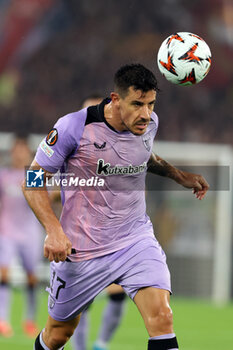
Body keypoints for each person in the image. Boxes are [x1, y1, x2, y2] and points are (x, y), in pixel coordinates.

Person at [22, 63, 209, 350]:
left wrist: (179, 176)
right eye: (137, 104)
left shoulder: (149, 124)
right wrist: (53, 230)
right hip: (81, 249)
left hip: (134, 241)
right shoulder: (73, 126)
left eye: (150, 104)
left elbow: (143, 157)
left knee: (162, 318)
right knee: (58, 334)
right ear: (115, 99)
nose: (145, 114)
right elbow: (32, 179)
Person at [69, 95, 127, 350]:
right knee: (80, 304)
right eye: (87, 112)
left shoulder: (121, 150)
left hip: (113, 238)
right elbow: (37, 178)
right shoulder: (67, 142)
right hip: (77, 239)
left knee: (118, 294)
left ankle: (101, 344)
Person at [0, 137, 42, 338]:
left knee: (32, 278)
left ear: (29, 153)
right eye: (16, 149)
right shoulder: (4, 175)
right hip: (6, 231)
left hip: (29, 232)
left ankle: (30, 320)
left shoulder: (32, 175)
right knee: (4, 274)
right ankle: (3, 320)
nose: (19, 153)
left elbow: (42, 202)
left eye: (23, 150)